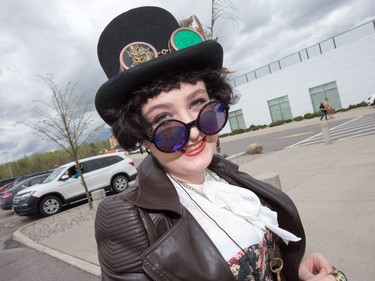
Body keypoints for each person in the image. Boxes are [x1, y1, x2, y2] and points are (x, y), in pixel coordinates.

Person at [94, 7, 347, 281]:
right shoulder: (124, 217)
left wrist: (294, 273)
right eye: (165, 119)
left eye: (198, 103)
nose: (193, 133)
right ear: (141, 133)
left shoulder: (227, 179)